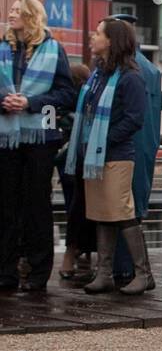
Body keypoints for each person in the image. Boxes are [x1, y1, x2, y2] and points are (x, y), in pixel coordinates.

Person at [65, 18, 151, 295]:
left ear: (111, 41)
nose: (93, 36)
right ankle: (104, 273)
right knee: (103, 213)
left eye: (98, 33)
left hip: (116, 155)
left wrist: (104, 138)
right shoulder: (98, 74)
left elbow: (135, 119)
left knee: (121, 212)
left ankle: (143, 273)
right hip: (95, 155)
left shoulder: (130, 77)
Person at [0, 0, 77, 294]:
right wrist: (4, 103)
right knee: (5, 207)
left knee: (37, 206)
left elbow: (66, 95)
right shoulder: (2, 47)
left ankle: (38, 273)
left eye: (17, 11)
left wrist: (31, 102)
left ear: (32, 17)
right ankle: (6, 272)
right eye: (10, 10)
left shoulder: (54, 49)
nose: (11, 15)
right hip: (6, 138)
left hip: (40, 140)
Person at [105, 12, 162, 289]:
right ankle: (127, 271)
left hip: (127, 148)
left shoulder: (130, 70)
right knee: (131, 207)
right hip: (143, 148)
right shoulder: (148, 69)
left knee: (123, 207)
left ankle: (126, 271)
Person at [55, 62, 92, 282]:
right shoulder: (86, 92)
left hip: (70, 161)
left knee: (74, 207)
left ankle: (75, 249)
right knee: (82, 206)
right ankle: (83, 249)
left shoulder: (70, 98)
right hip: (81, 158)